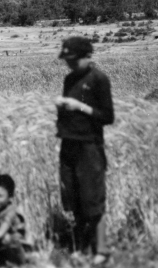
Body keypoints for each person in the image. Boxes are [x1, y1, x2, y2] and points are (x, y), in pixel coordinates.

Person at [55, 36, 114, 264]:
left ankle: (101, 249)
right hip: (68, 143)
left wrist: (80, 107)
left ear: (87, 56)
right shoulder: (69, 79)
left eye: (73, 60)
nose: (69, 64)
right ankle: (80, 246)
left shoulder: (99, 80)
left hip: (89, 146)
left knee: (93, 199)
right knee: (74, 199)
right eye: (67, 60)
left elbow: (107, 116)